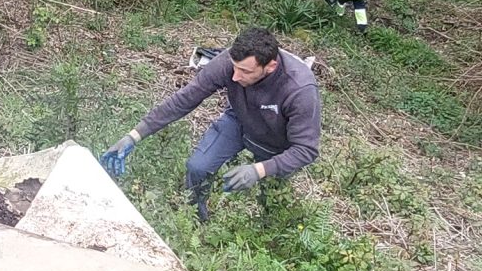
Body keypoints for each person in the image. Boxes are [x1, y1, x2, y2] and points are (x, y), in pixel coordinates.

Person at [96, 27, 321, 222]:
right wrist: (134, 135)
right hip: (240, 120)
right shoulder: (229, 62)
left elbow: (305, 150)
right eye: (234, 67)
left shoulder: (299, 89)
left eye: (245, 71)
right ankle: (195, 216)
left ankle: (263, 232)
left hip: (275, 145)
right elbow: (186, 98)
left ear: (269, 67)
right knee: (198, 167)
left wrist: (258, 170)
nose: (234, 76)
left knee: (270, 202)